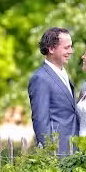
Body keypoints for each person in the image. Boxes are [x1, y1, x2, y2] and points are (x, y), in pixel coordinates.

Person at [28, 27, 78, 155]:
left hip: (74, 149)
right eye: (66, 48)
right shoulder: (40, 78)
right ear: (51, 49)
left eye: (70, 47)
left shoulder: (64, 74)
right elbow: (40, 120)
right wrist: (49, 154)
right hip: (58, 153)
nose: (71, 51)